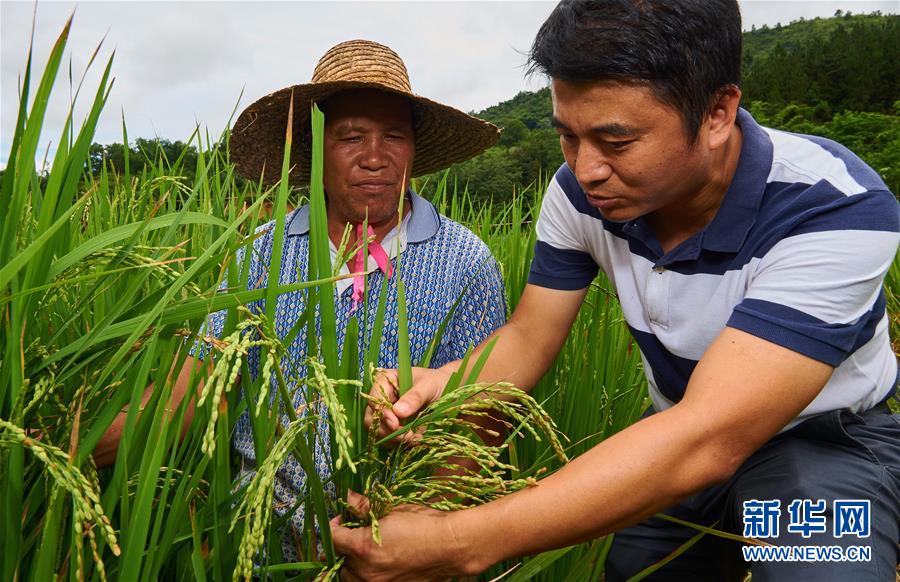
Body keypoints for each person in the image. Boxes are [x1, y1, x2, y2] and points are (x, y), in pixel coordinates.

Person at [331, 2, 900, 580]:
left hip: (819, 441)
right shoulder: (582, 194)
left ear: (717, 113)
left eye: (616, 140)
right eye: (568, 136)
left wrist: (460, 540)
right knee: (636, 568)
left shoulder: (833, 207)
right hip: (673, 436)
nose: (586, 168)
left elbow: (713, 437)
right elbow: (528, 337)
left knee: (822, 569)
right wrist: (451, 382)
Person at [96, 39, 507, 562]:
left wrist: (423, 535)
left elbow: (486, 420)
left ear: (414, 150)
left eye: (394, 137)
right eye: (351, 137)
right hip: (256, 541)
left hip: (396, 542)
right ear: (314, 147)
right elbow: (190, 392)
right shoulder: (260, 254)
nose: (375, 158)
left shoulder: (466, 262)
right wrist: (70, 447)